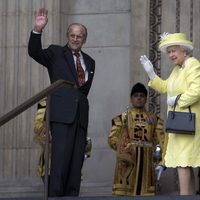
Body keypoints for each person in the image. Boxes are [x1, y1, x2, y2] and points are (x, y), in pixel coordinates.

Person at [28, 8, 95, 197]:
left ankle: (72, 195)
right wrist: (37, 30)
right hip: (61, 115)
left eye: (79, 36)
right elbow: (34, 52)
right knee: (60, 161)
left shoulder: (90, 61)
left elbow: (83, 91)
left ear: (84, 39)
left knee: (76, 163)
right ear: (67, 36)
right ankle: (56, 196)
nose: (75, 39)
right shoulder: (55, 52)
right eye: (72, 35)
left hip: (80, 116)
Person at [140, 32, 200, 195]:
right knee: (185, 162)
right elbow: (165, 87)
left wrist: (177, 100)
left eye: (174, 51)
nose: (171, 55)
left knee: (182, 161)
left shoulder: (192, 64)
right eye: (169, 52)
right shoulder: (177, 69)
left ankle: (184, 197)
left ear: (184, 50)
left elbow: (197, 91)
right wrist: (151, 74)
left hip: (189, 122)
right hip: (180, 124)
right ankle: (191, 196)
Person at [108, 83, 167, 196]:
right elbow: (112, 138)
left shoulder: (154, 119)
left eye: (142, 95)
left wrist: (163, 161)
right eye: (136, 95)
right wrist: (124, 148)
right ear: (131, 98)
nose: (139, 98)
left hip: (147, 163)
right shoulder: (122, 118)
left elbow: (162, 141)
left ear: (146, 98)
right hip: (128, 164)